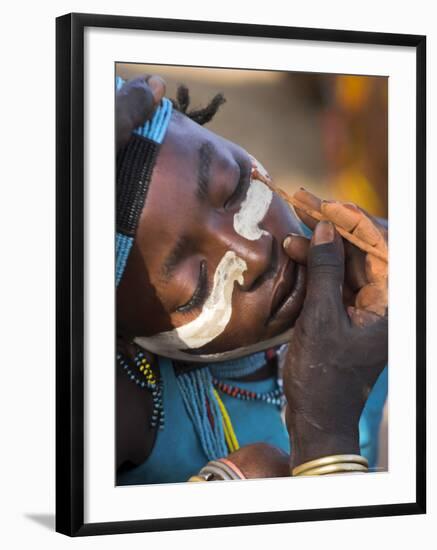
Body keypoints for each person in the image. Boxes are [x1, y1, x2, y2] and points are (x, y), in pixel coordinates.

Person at [115, 74, 388, 484]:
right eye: (198, 286)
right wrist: (324, 440)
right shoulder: (123, 407)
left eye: (236, 187)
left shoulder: (373, 263)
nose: (255, 252)